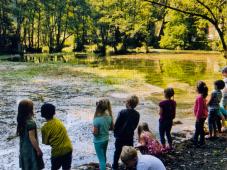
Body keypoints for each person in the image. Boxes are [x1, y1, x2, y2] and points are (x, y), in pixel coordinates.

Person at [41, 103, 73, 170]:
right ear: (54, 113)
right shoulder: (58, 121)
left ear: (42, 114)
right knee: (67, 168)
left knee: (54, 168)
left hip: (57, 152)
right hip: (68, 148)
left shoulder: (44, 128)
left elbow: (46, 142)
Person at [112, 95, 140, 170]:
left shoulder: (122, 112)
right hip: (129, 136)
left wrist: (115, 133)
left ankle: (115, 166)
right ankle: (129, 166)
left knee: (117, 152)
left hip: (120, 136)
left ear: (127, 103)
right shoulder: (137, 114)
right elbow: (135, 126)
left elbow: (117, 124)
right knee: (130, 152)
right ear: (136, 104)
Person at [17, 99, 44, 170]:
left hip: (23, 150)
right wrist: (38, 150)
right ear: (30, 110)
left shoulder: (21, 121)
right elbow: (32, 138)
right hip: (31, 151)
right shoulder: (31, 123)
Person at [93, 99, 114, 170]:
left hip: (98, 142)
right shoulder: (109, 117)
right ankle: (103, 167)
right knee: (104, 156)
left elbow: (95, 134)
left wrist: (93, 132)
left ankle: (102, 168)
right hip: (106, 139)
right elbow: (109, 128)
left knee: (101, 159)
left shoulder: (96, 120)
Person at [193, 81, 208, 146]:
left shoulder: (200, 98)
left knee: (198, 128)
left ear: (198, 89)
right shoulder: (203, 97)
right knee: (200, 128)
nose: (195, 89)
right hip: (203, 115)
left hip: (200, 116)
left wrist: (197, 117)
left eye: (196, 88)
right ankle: (202, 140)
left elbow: (200, 109)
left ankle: (195, 140)